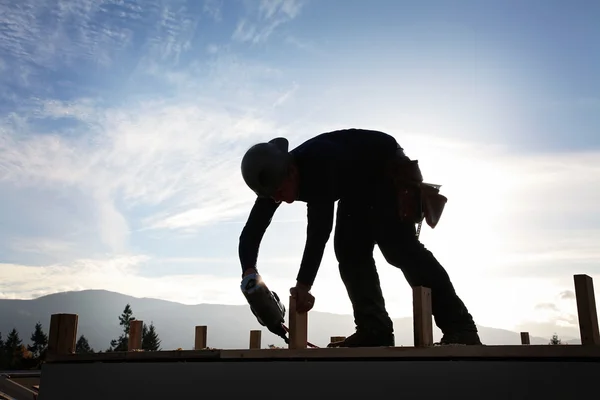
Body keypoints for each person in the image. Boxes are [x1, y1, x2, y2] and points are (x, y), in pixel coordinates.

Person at [238, 128, 482, 347]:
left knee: (399, 248)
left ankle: (460, 327)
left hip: (385, 168)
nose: (279, 199)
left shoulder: (318, 164)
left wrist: (303, 285)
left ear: (291, 171)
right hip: (354, 185)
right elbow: (251, 233)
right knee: (349, 250)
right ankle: (374, 330)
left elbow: (319, 230)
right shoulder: (272, 184)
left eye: (281, 192)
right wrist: (249, 272)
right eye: (273, 197)